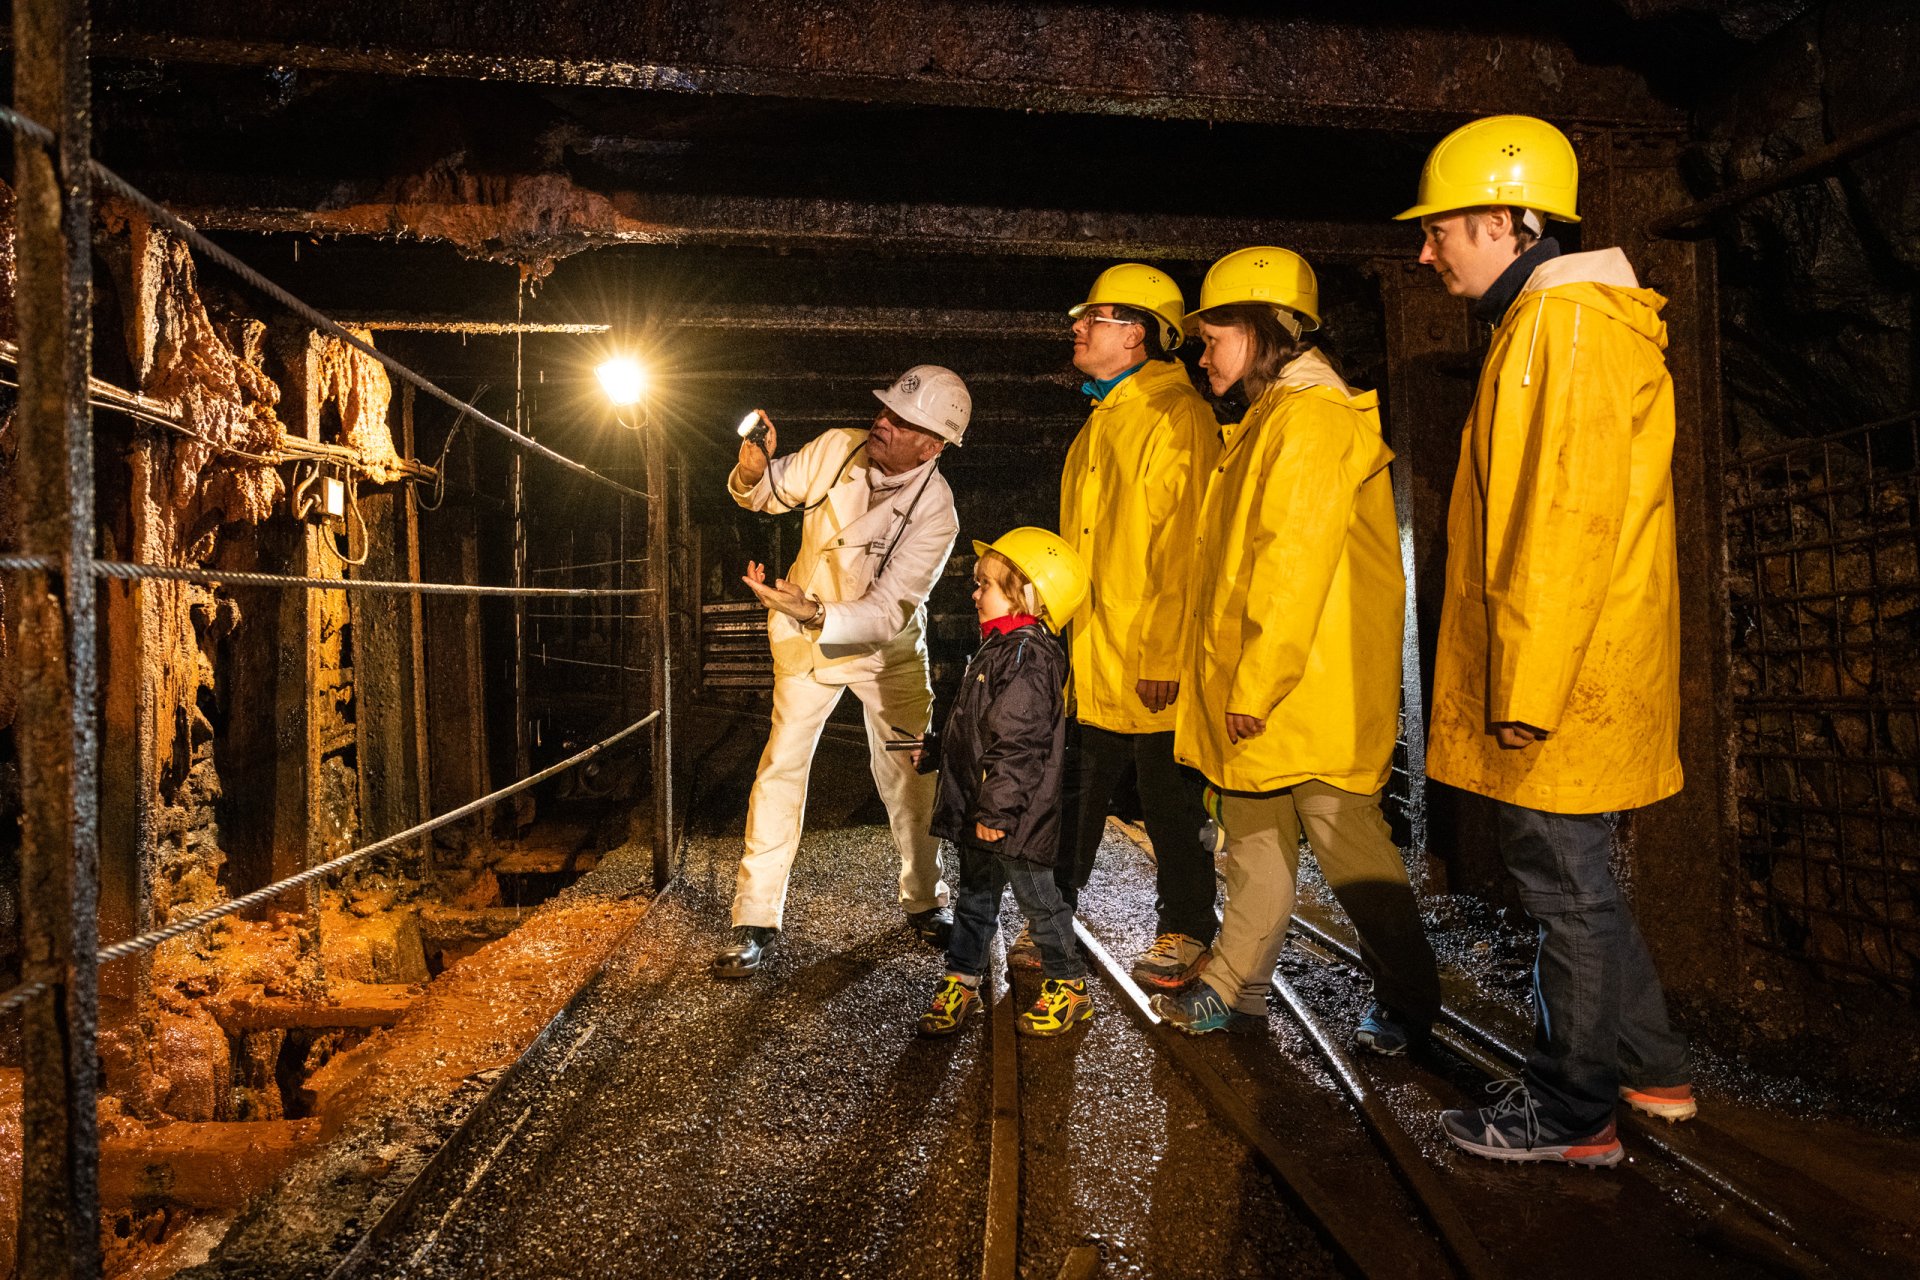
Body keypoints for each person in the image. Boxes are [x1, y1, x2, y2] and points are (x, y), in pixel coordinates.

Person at [1396, 114, 1692, 1167]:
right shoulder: (1552, 327)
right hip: (1576, 663)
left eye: (1440, 230)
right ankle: (1651, 1065)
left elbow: (1561, 521)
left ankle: (1574, 1111)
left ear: (1499, 217)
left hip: (1557, 674)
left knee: (1563, 888)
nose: (1426, 252)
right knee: (1584, 885)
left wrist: (1522, 682)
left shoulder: (1564, 331)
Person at [1153, 247, 1442, 1060]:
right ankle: (1235, 988)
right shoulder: (1273, 419)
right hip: (1265, 684)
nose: (1202, 353)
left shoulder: (1311, 419)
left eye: (1213, 336)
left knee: (1346, 847)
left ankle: (1412, 999)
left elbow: (1292, 558)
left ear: (1260, 329)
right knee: (1253, 838)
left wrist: (1258, 678)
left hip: (1303, 684)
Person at [714, 366, 969, 978]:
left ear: (932, 446)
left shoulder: (938, 514)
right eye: (885, 410)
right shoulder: (836, 448)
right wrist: (751, 474)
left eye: (902, 421)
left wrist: (812, 608)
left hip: (887, 654)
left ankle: (925, 900)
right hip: (805, 642)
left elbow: (884, 613)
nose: (882, 421)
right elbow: (768, 493)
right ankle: (754, 919)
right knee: (780, 769)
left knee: (912, 779)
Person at [1043, 264, 1221, 992]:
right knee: (1078, 789)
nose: (1078, 327)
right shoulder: (1101, 421)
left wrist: (1163, 651)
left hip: (1150, 653)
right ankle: (1051, 913)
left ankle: (1186, 929)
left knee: (1168, 798)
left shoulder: (1176, 416)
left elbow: (1183, 548)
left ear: (1138, 332)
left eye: (1098, 315)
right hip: (1096, 649)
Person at [914, 528, 1093, 1038]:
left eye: (986, 584)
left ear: (1029, 596)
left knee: (1040, 903)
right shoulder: (998, 650)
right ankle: (962, 980)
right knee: (974, 898)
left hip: (1010, 816)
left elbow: (1019, 746)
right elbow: (979, 730)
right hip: (985, 809)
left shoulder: (1026, 657)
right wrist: (936, 751)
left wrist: (996, 814)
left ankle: (1070, 985)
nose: (974, 593)